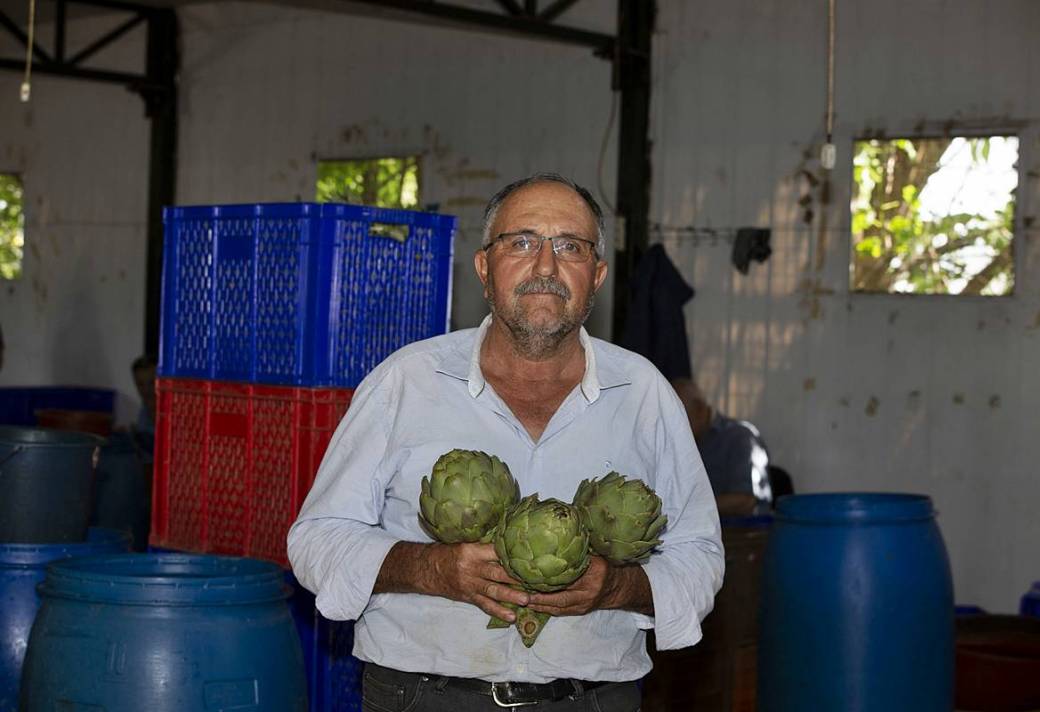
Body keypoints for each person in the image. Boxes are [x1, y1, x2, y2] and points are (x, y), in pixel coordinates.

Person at [288, 173, 724, 711]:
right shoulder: (406, 382)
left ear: (598, 275)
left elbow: (699, 555)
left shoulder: (644, 395)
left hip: (592, 701)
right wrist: (432, 570)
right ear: (484, 269)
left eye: (570, 246)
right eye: (521, 243)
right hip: (422, 699)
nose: (546, 266)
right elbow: (316, 541)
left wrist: (615, 588)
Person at [671, 377, 772, 516]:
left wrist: (688, 509)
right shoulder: (684, 443)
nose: (673, 428)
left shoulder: (740, 437)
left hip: (742, 533)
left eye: (678, 419)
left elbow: (745, 501)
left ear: (699, 409)